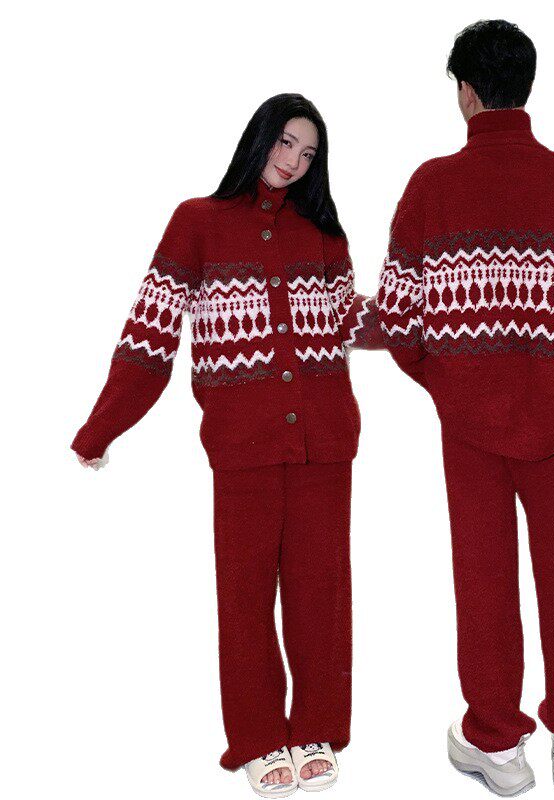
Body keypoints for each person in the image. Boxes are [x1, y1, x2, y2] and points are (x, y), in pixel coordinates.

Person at [72, 93, 382, 797]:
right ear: (259, 138)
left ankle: (317, 729)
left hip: (326, 443)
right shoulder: (198, 224)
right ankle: (257, 737)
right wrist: (102, 428)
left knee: (322, 595)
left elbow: (348, 321)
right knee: (244, 597)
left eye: (308, 153)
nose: (293, 161)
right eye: (285, 143)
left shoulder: (322, 231)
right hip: (243, 445)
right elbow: (149, 336)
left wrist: (431, 310)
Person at [376, 20, 554, 792]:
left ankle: (497, 746)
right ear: (525, 84)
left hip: (470, 423)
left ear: (466, 90)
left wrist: (445, 381)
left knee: (483, 575)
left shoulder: (431, 187)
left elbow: (398, 316)